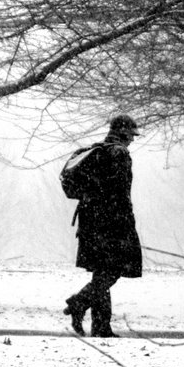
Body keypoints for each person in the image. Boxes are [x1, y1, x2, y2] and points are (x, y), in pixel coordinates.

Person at [63, 114, 143, 337]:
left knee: (102, 273)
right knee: (112, 271)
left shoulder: (95, 151)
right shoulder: (119, 154)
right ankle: (79, 303)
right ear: (123, 132)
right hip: (113, 222)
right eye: (132, 135)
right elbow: (120, 192)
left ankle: (101, 327)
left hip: (90, 221)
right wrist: (127, 222)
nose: (133, 140)